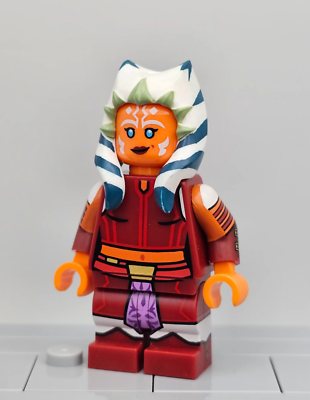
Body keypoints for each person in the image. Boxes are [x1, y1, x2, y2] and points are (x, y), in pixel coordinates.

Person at [54, 60, 248, 379]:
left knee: (178, 318)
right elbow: (88, 230)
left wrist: (226, 272)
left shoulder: (195, 196)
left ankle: (177, 352)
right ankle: (116, 346)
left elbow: (223, 231)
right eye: (129, 131)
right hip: (115, 270)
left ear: (183, 136)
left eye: (151, 132)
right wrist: (79, 265)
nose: (138, 141)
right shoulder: (104, 193)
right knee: (111, 314)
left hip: (174, 275)